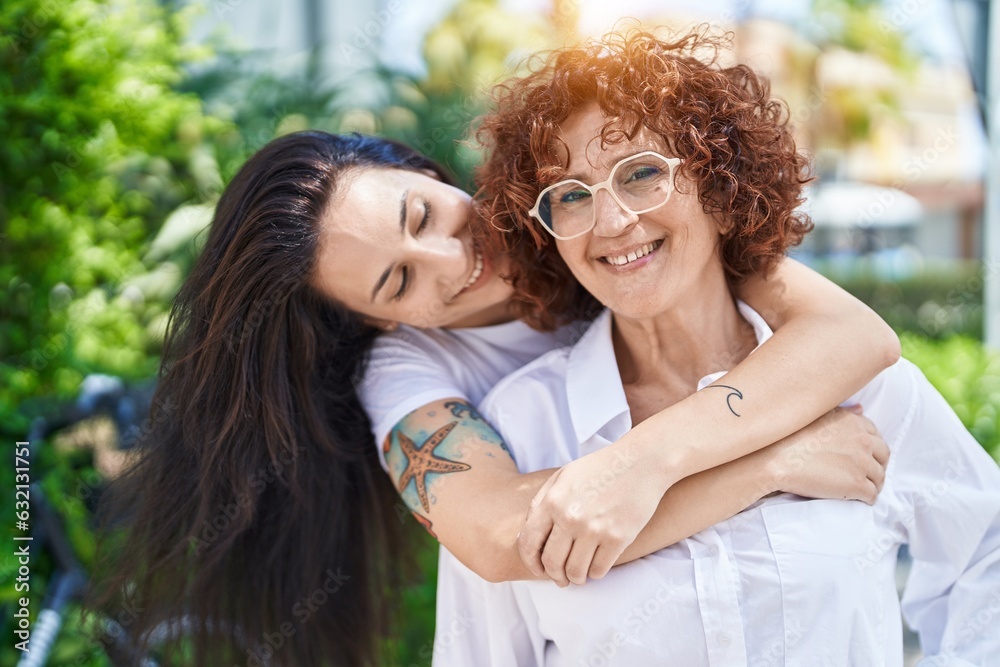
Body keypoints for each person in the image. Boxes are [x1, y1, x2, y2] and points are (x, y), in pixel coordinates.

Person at [91, 126, 897, 665]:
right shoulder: (407, 371)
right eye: (399, 279)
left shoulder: (580, 206)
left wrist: (655, 457)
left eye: (424, 213)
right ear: (372, 320)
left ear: (431, 175)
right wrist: (771, 463)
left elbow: (852, 337)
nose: (450, 258)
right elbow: (505, 533)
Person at [432, 27, 1000, 666]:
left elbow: (985, 553)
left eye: (641, 173)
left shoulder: (864, 391)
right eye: (571, 195)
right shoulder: (522, 424)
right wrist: (773, 465)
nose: (613, 222)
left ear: (720, 191)